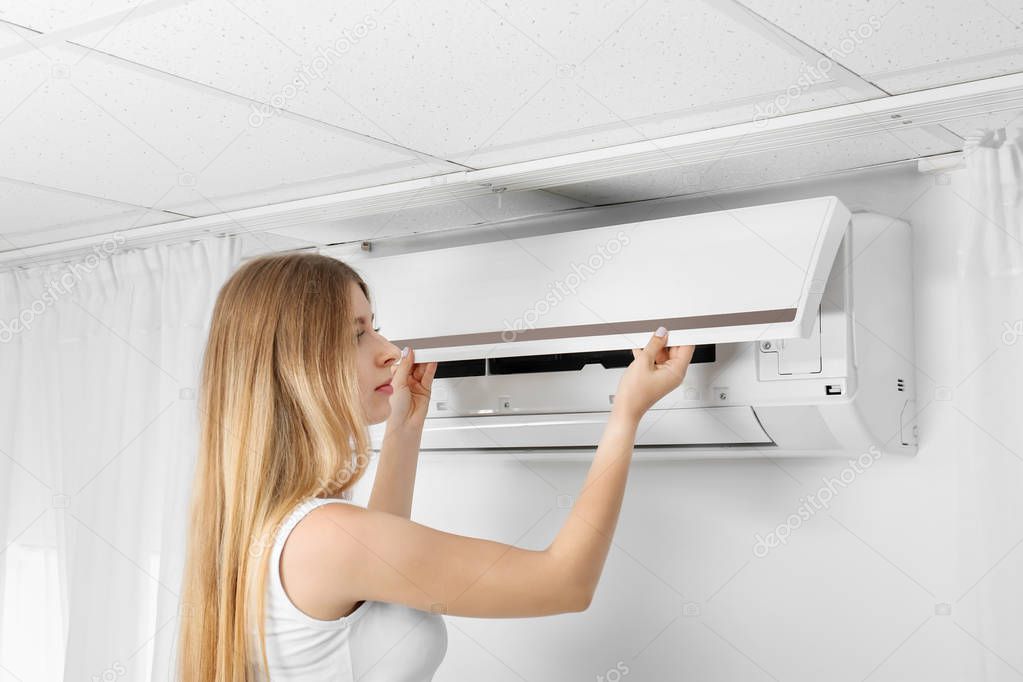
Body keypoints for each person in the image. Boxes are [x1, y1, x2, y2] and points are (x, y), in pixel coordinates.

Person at [177, 253, 695, 681]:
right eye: (357, 334)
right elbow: (565, 583)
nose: (389, 351)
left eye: (376, 328)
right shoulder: (325, 536)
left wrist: (404, 430)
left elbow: (376, 576)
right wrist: (626, 414)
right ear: (294, 364)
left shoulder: (267, 530)